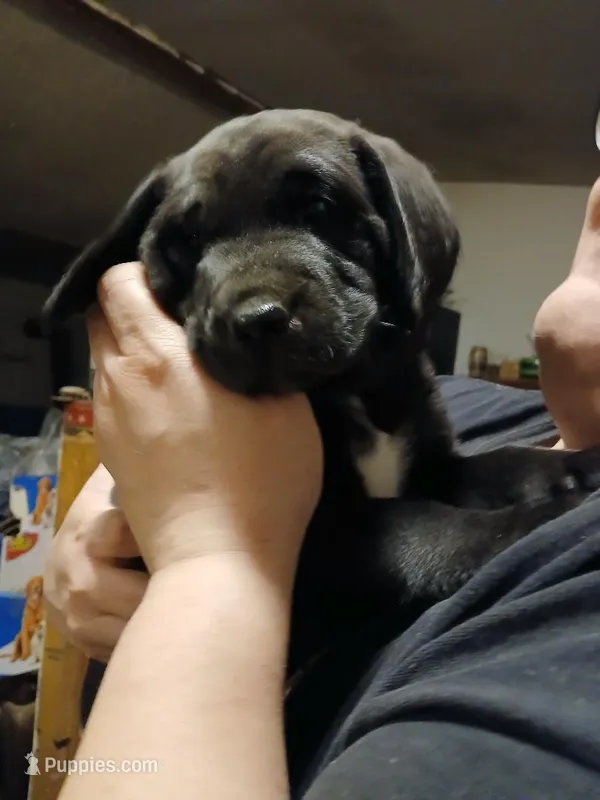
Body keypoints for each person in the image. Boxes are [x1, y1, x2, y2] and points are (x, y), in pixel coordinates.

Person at [46, 179, 600, 800]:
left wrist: (204, 553)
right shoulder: (456, 401)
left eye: (318, 213)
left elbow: (340, 540)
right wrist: (112, 496)